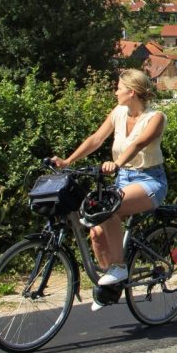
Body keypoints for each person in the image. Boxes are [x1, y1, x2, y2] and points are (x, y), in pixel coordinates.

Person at [52, 69, 167, 292]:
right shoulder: (119, 112)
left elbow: (138, 144)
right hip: (123, 180)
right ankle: (110, 283)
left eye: (119, 88)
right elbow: (96, 139)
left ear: (131, 92)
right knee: (95, 232)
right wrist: (67, 161)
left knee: (109, 208)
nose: (115, 92)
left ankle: (119, 267)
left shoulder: (156, 118)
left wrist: (117, 163)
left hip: (150, 180)